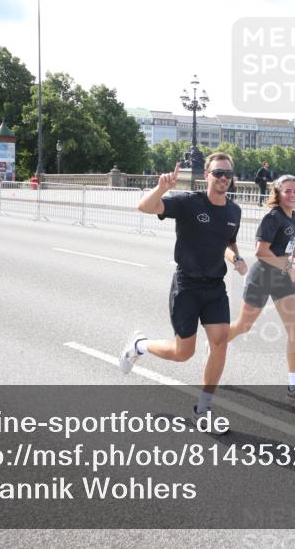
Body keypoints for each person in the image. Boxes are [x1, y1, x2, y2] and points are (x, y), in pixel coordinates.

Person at [119, 153, 247, 432]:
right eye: (218, 173)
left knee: (220, 343)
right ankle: (139, 345)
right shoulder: (189, 202)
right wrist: (162, 188)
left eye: (227, 174)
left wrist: (235, 258)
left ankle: (203, 410)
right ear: (206, 175)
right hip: (187, 286)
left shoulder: (234, 211)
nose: (224, 178)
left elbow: (227, 242)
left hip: (215, 287)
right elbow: (145, 206)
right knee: (182, 353)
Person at [227, 175, 295, 406]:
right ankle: (217, 342)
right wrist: (288, 267)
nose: (293, 195)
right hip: (263, 277)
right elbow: (261, 251)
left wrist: (292, 253)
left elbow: (285, 242)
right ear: (278, 193)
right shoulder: (272, 218)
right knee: (243, 326)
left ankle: (293, 387)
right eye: (287, 191)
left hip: (284, 279)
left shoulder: (293, 215)